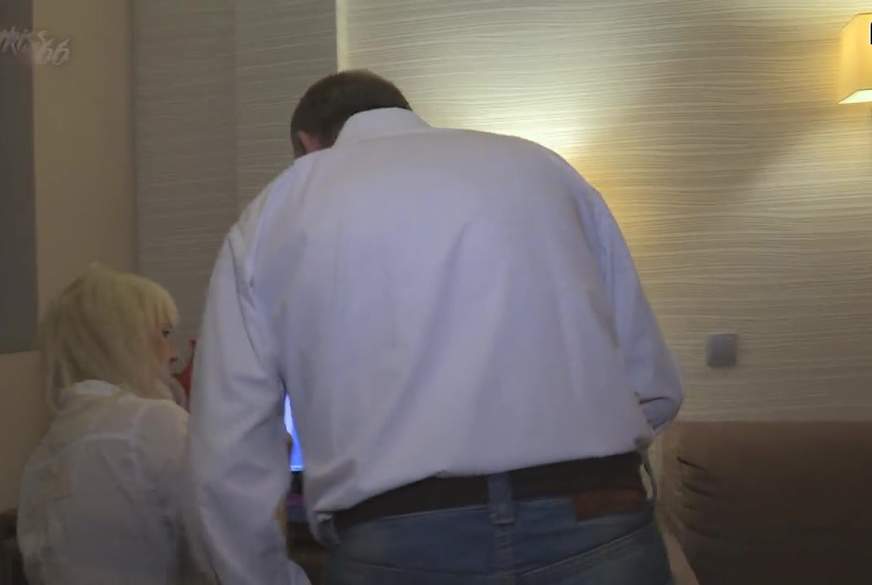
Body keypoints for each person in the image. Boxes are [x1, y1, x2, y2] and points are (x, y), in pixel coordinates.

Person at [187, 70, 683, 585]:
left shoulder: (274, 211)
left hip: (395, 537)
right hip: (597, 512)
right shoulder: (543, 169)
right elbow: (652, 386)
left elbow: (228, 455)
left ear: (307, 143)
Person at [17, 265, 192, 585]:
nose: (174, 355)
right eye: (165, 334)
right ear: (124, 341)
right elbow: (231, 547)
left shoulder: (43, 456)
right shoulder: (151, 423)